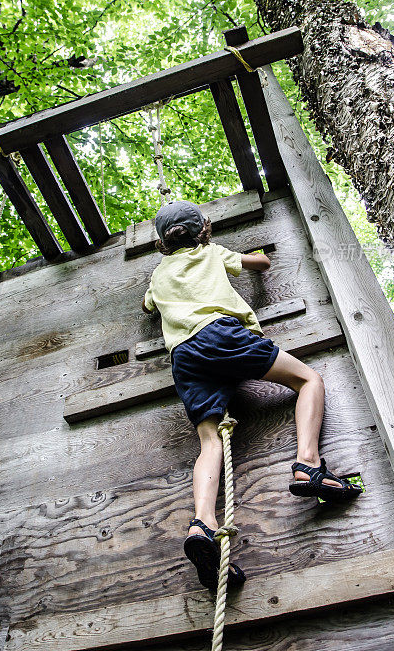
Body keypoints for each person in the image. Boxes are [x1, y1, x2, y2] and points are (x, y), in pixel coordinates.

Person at [142, 200, 361, 590]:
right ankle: (308, 464)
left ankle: (202, 525)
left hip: (185, 358)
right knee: (308, 380)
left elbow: (148, 306)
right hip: (220, 335)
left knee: (210, 443)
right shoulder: (210, 252)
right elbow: (259, 264)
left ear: (163, 243)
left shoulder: (158, 277)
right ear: (201, 231)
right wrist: (257, 256)